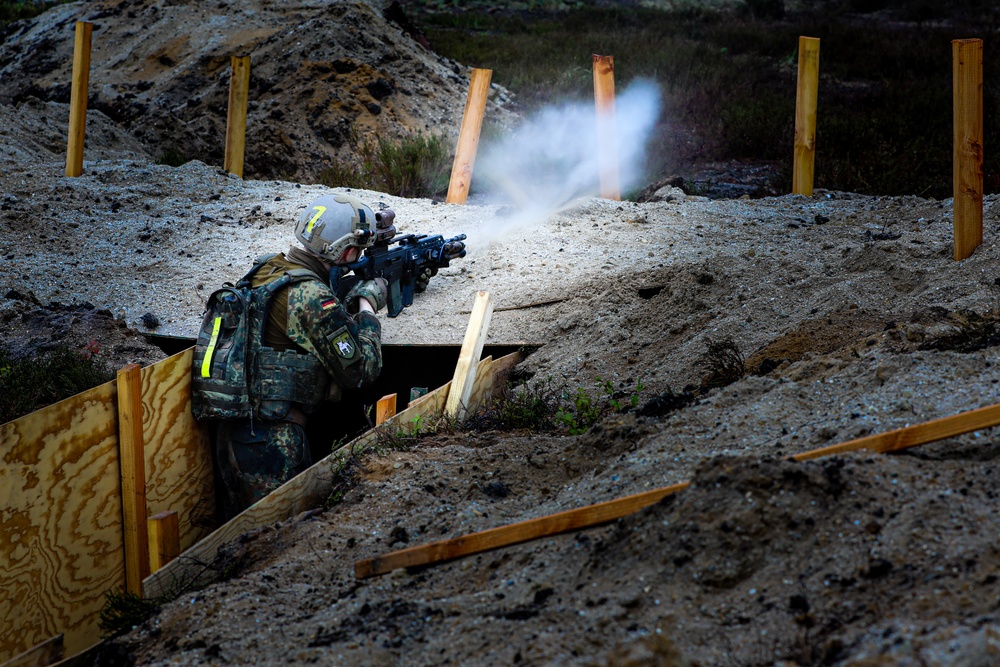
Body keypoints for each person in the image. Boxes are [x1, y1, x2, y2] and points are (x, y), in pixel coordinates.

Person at [213, 192, 389, 519]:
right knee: (279, 537)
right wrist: (367, 308)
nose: (358, 256)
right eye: (358, 249)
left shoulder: (266, 268)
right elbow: (361, 371)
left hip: (233, 432)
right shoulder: (311, 296)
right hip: (274, 442)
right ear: (345, 250)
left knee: (241, 538)